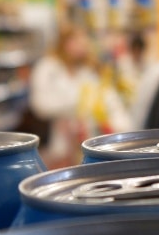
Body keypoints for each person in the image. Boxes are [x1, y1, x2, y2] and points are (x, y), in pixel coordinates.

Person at [29, 24, 133, 168]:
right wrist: (78, 105)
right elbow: (40, 105)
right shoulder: (48, 67)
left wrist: (121, 128)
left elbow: (105, 99)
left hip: (88, 138)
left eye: (83, 40)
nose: (81, 45)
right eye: (75, 40)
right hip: (58, 142)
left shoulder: (89, 70)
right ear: (63, 42)